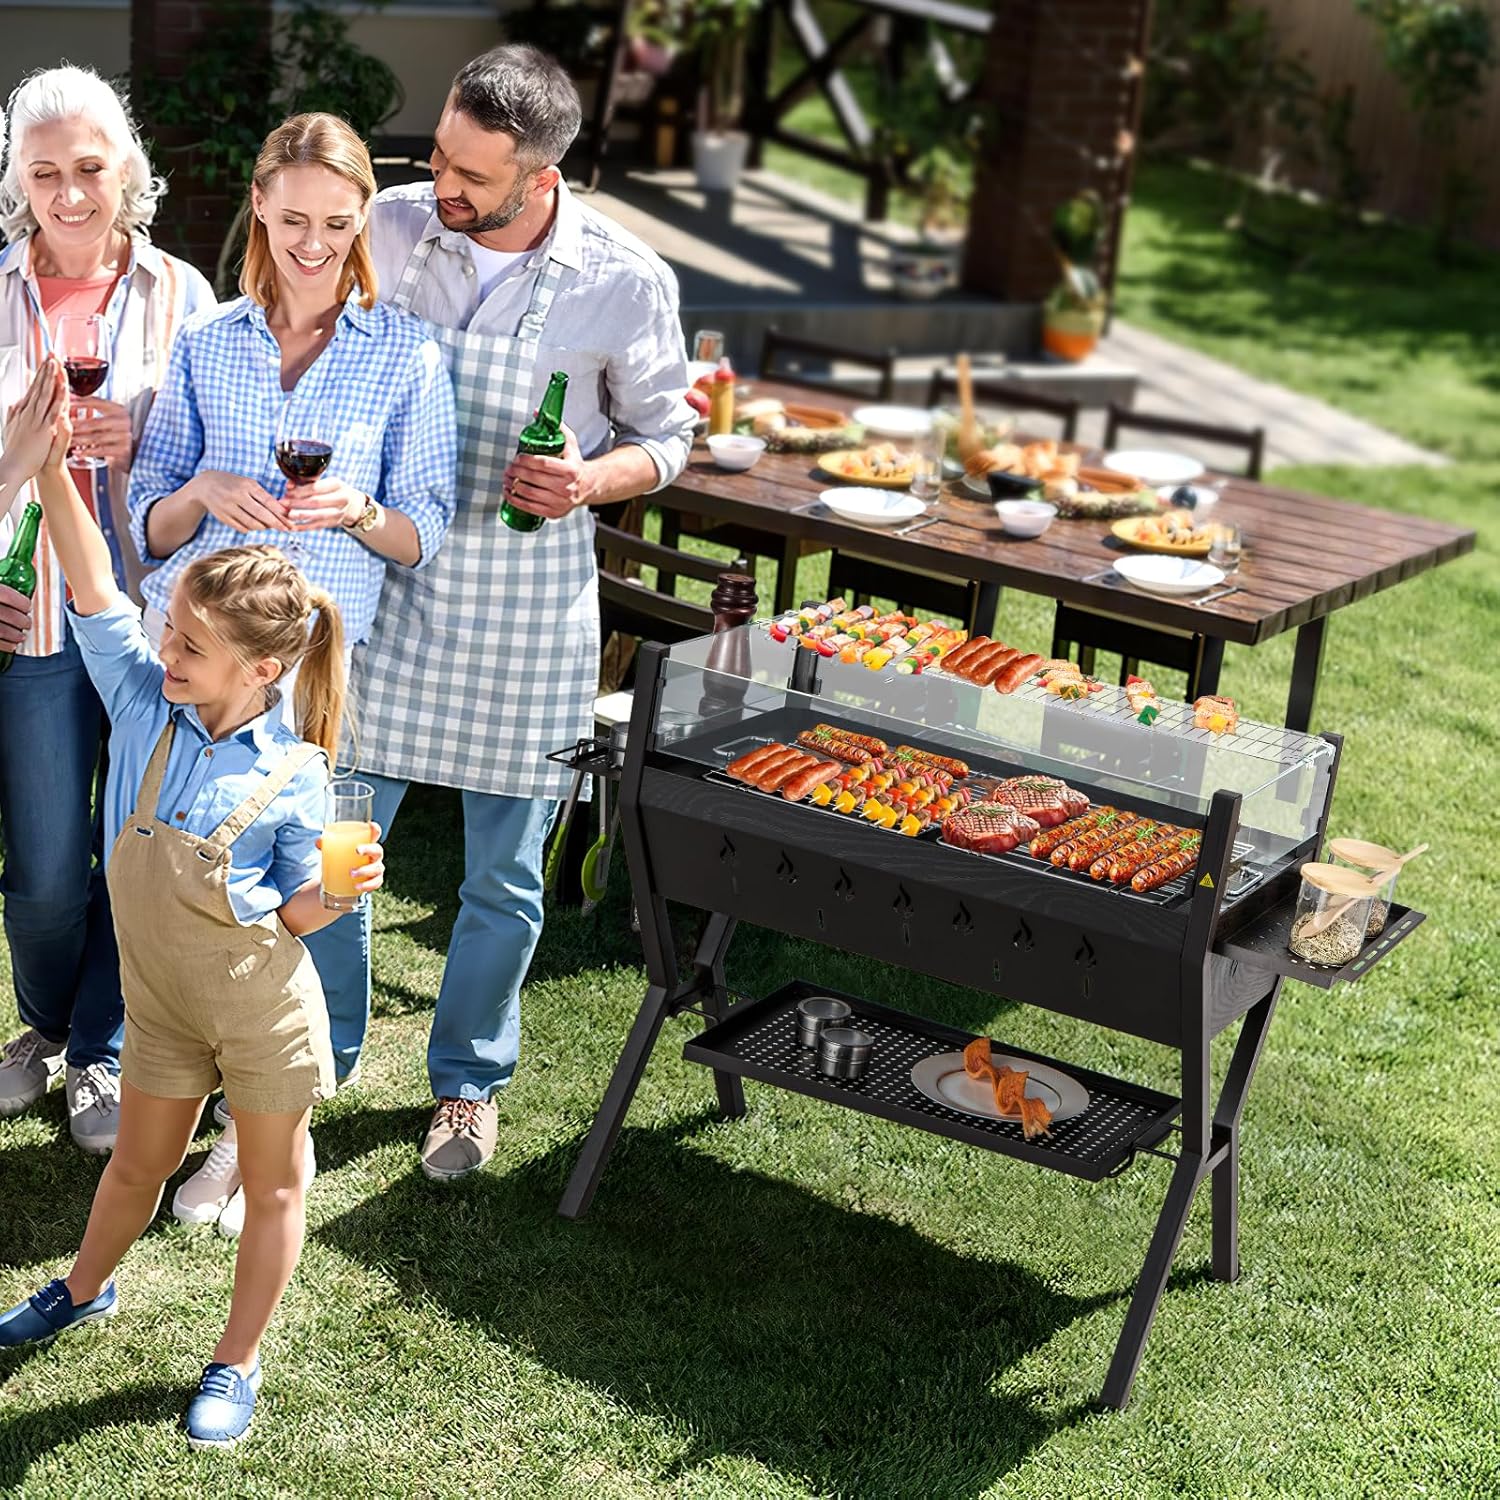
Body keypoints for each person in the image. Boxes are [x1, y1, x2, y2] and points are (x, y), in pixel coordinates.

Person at [304, 44, 696, 1180]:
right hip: (381, 584)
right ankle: (319, 1053)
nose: (441, 184)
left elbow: (668, 437)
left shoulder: (624, 281)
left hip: (526, 611)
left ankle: (466, 1083)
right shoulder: (391, 228)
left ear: (542, 176)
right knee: (339, 842)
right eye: (438, 155)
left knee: (503, 879)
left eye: (471, 174)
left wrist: (587, 478)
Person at [0, 358, 385, 1452]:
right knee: (136, 1163)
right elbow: (92, 585)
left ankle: (235, 1361)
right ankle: (83, 1289)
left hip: (261, 1011)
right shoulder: (141, 701)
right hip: (162, 1005)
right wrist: (50, 470)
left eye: (190, 646)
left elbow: (294, 917)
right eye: (170, 632)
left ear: (260, 671)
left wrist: (337, 895)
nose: (165, 651)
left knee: (272, 1185)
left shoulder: (299, 774)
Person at [0, 65, 214, 1152]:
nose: (71, 193)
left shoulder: (182, 294)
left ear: (127, 168)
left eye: (90, 167)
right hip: (32, 622)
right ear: (17, 182)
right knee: (45, 874)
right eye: (45, 174)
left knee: (139, 858)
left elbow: (217, 452)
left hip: (155, 627)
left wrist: (142, 442)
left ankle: (100, 1048)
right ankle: (43, 1023)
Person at [128, 111, 457, 660]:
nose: (313, 244)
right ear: (259, 204)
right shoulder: (204, 338)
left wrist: (356, 508)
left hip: (310, 656)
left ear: (363, 215)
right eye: (293, 220)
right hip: (186, 639)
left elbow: (420, 541)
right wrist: (202, 489)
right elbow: (154, 534)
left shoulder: (405, 352)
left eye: (336, 223)